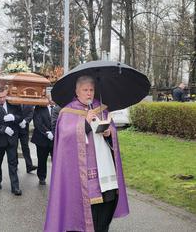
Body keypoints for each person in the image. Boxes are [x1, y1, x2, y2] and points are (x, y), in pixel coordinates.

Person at [44, 76, 129, 232]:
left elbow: (113, 133)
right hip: (83, 176)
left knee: (107, 208)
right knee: (90, 214)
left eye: (91, 90)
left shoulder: (101, 107)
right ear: (77, 91)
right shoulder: (68, 111)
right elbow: (64, 137)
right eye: (85, 90)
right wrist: (85, 123)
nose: (89, 93)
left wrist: (109, 133)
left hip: (106, 171)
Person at [0, 84, 22, 196]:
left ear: (6, 95)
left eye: (3, 97)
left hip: (12, 139)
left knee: (13, 163)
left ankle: (15, 187)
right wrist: (4, 129)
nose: (1, 99)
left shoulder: (13, 105)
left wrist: (14, 117)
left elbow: (20, 116)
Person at [31, 95, 55, 185]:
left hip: (55, 139)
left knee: (56, 160)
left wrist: (54, 133)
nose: (52, 100)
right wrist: (47, 133)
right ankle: (42, 177)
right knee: (42, 159)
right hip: (41, 139)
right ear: (47, 99)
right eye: (51, 98)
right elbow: (38, 123)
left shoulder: (60, 108)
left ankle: (56, 177)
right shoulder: (39, 108)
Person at [17, 104, 37, 173]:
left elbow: (31, 113)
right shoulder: (14, 101)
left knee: (25, 147)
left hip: (24, 129)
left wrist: (25, 121)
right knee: (13, 147)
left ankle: (29, 166)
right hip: (15, 128)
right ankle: (15, 164)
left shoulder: (28, 103)